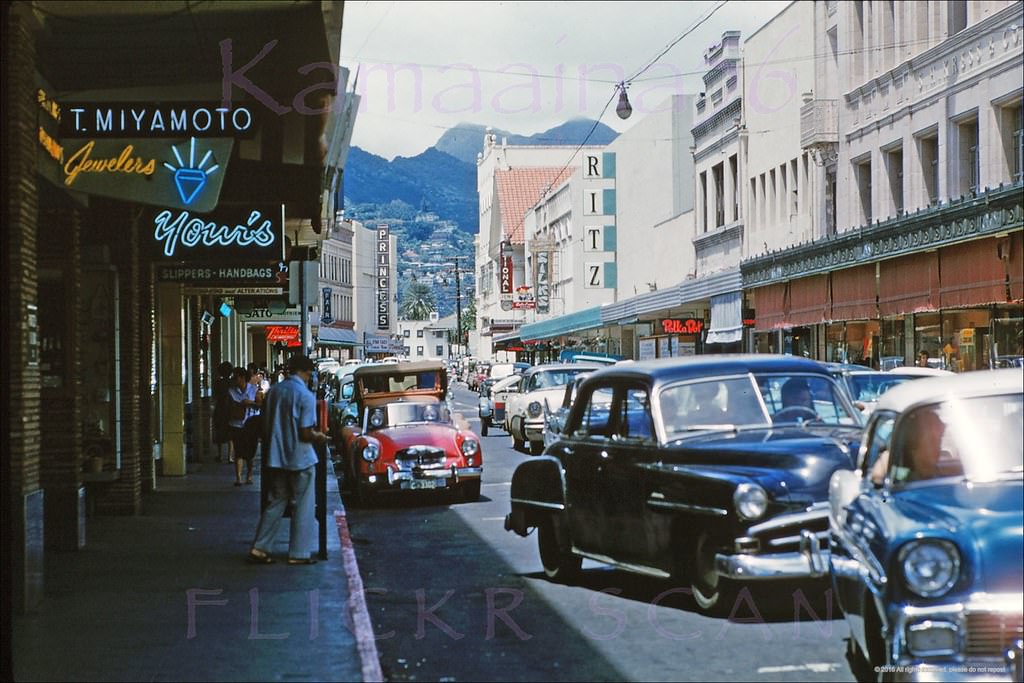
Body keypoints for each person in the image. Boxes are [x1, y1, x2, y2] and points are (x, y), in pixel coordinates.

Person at [248, 354, 328, 565]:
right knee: (303, 505)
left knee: (275, 501)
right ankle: (299, 553)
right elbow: (305, 432)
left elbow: (265, 425)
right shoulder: (305, 396)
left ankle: (260, 547)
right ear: (306, 373)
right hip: (301, 457)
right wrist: (319, 437)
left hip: (276, 457)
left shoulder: (274, 392)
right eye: (310, 374)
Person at [228, 367, 260, 486]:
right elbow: (228, 406)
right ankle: (238, 478)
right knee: (238, 451)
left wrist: (250, 403)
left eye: (236, 377)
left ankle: (249, 474)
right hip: (236, 423)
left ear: (242, 378)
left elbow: (260, 404)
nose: (234, 379)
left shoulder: (253, 389)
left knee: (249, 452)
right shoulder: (231, 391)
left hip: (251, 423)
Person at [212, 361, 235, 463]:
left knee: (219, 432)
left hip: (220, 408)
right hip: (230, 409)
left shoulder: (217, 383)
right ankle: (230, 456)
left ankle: (220, 455)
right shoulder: (233, 383)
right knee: (230, 433)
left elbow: (215, 396)